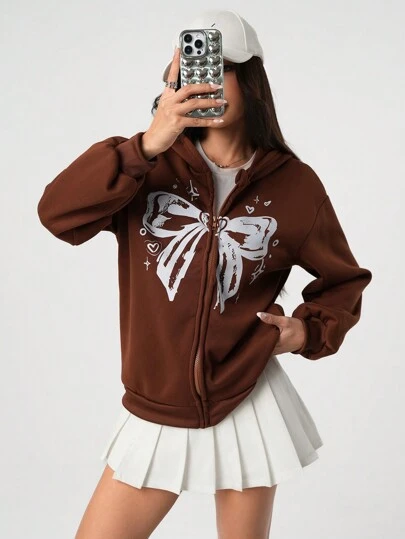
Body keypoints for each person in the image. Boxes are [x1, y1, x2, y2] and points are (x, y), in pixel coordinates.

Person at [37, 9, 372, 539]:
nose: (204, 81)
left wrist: (307, 331)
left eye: (220, 68)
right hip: (156, 404)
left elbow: (344, 279)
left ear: (252, 80)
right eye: (190, 71)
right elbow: (58, 215)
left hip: (248, 398)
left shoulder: (295, 185)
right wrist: (147, 145)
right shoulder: (143, 166)